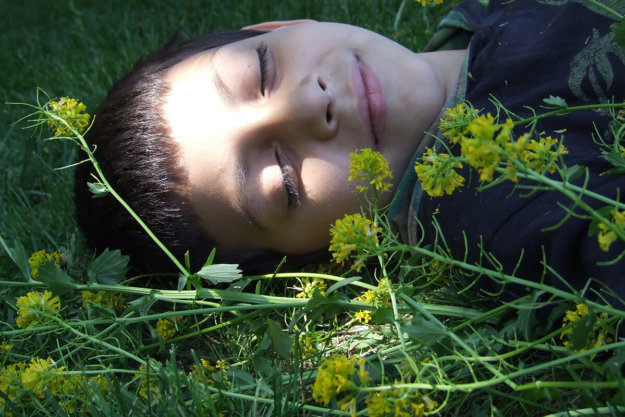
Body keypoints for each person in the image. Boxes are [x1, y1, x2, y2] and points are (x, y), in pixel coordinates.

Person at [75, 0, 625, 302]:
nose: (305, 107)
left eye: (261, 70)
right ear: (325, 255)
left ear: (279, 25)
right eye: (284, 183)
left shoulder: (477, 13)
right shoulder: (496, 207)